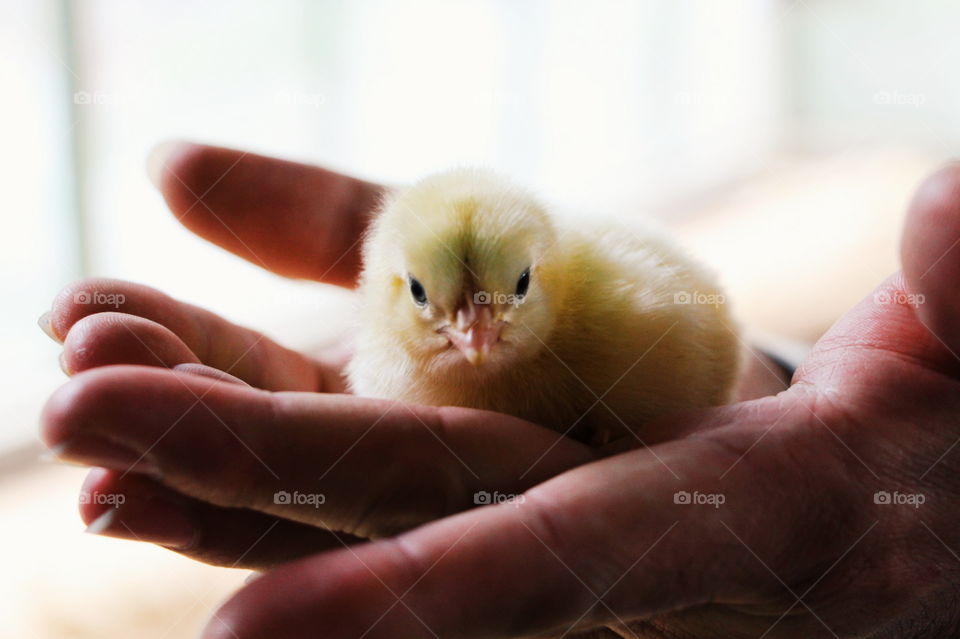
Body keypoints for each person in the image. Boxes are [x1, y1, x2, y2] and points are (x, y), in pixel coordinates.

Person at [39, 143, 960, 639]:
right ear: (383, 287)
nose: (474, 336)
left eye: (509, 297)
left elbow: (703, 331)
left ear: (545, 274)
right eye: (433, 306)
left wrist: (736, 410)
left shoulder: (624, 306)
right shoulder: (386, 345)